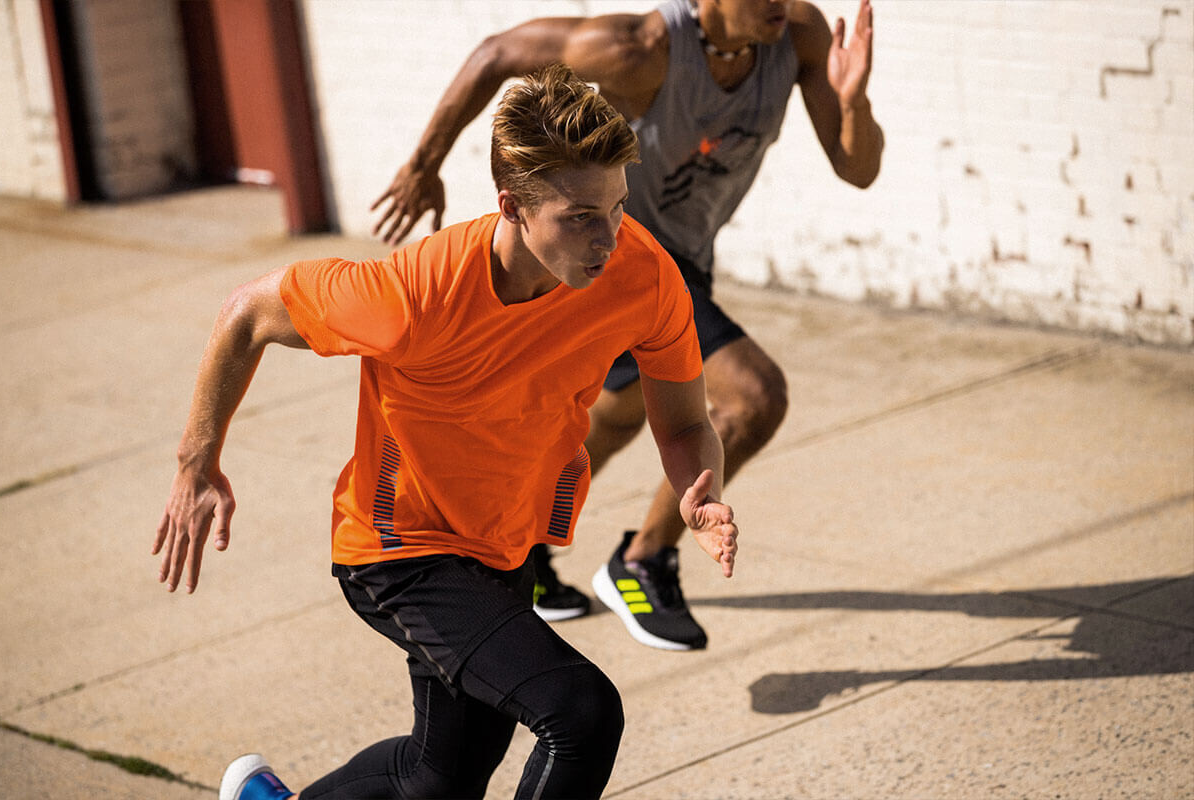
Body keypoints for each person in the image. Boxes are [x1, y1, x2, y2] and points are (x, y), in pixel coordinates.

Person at [153, 64, 738, 800]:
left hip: (502, 541)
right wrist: (196, 462)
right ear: (512, 207)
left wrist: (697, 489)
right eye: (580, 216)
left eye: (618, 207)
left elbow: (684, 422)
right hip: (400, 549)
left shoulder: (643, 276)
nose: (608, 237)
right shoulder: (412, 295)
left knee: (440, 781)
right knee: (580, 713)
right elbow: (248, 313)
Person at [371, 0, 884, 650]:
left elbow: (858, 170)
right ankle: (642, 561)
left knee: (613, 417)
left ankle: (509, 548)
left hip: (683, 260)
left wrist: (853, 102)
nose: (778, 2)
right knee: (753, 397)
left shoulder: (797, 37)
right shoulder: (640, 49)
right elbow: (496, 53)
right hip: (617, 259)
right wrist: (424, 164)